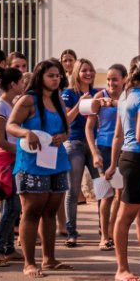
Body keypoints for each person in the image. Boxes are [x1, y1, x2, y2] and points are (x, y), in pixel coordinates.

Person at [6, 59, 74, 278]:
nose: (56, 79)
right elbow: (11, 125)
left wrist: (63, 136)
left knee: (51, 211)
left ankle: (49, 259)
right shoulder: (28, 100)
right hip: (31, 163)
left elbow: (67, 130)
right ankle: (29, 263)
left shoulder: (58, 101)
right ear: (40, 77)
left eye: (58, 75)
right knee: (32, 211)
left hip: (57, 161)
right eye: (51, 75)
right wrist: (27, 133)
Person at [108, 55, 140, 281]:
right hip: (139, 157)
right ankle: (122, 268)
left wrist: (113, 161)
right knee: (127, 215)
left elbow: (118, 134)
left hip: (129, 157)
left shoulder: (125, 96)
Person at [86, 64, 126, 252]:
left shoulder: (127, 98)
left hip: (123, 150)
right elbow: (89, 127)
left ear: (124, 79)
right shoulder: (99, 97)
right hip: (103, 148)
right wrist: (94, 152)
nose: (111, 82)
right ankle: (104, 237)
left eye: (115, 79)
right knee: (105, 195)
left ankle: (112, 231)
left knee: (119, 194)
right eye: (109, 79)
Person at [61, 58, 100, 247]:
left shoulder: (98, 93)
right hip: (74, 143)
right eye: (84, 70)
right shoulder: (68, 94)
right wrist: (81, 104)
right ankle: (71, 232)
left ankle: (105, 232)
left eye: (90, 70)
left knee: (102, 189)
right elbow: (66, 120)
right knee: (73, 190)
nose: (88, 73)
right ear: (77, 73)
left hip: (94, 144)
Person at [0, 67, 25, 267]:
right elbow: (0, 140)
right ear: (13, 84)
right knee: (12, 207)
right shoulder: (0, 107)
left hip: (13, 159)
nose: (23, 85)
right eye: (21, 81)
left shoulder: (9, 104)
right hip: (5, 161)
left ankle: (9, 249)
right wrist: (22, 150)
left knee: (11, 206)